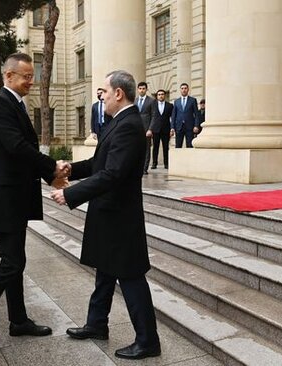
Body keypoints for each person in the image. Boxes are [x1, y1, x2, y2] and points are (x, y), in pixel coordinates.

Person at [0, 53, 70, 353]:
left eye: (32, 75)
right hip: (2, 198)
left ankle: (18, 321)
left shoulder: (15, 105)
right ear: (8, 76)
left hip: (12, 198)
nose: (31, 81)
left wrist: (51, 176)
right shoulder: (0, 104)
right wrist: (52, 169)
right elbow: (17, 147)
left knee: (15, 260)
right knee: (12, 263)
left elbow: (21, 152)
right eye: (25, 75)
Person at [50, 70, 160, 360]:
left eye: (104, 92)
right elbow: (100, 162)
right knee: (105, 272)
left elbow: (112, 174)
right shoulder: (119, 122)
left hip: (120, 216)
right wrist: (72, 169)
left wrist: (70, 193)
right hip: (109, 213)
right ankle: (97, 324)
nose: (102, 96)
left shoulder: (128, 124)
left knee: (132, 277)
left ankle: (148, 341)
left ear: (119, 94)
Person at [148, 89, 173, 169]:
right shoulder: (153, 105)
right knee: (155, 147)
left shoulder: (169, 105)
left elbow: (172, 118)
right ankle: (154, 163)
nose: (161, 96)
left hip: (166, 129)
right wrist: (150, 129)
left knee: (166, 147)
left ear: (164, 95)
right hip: (155, 129)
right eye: (159, 94)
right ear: (157, 96)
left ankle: (166, 163)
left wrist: (171, 129)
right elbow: (150, 117)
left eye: (162, 94)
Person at [170, 83, 201, 148]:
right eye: (182, 88)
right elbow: (173, 115)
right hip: (179, 127)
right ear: (180, 90)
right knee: (178, 146)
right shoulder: (176, 101)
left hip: (189, 127)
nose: (184, 90)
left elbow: (196, 114)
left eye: (185, 88)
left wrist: (196, 125)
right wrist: (172, 127)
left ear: (188, 89)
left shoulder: (192, 100)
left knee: (190, 146)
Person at [135, 81, 155, 174]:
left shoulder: (151, 101)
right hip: (136, 129)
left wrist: (150, 129)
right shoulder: (134, 101)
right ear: (137, 90)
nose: (142, 90)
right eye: (140, 88)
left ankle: (144, 168)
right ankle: (137, 167)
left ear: (146, 90)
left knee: (146, 149)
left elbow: (154, 116)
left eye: (143, 89)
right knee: (136, 148)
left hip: (147, 129)